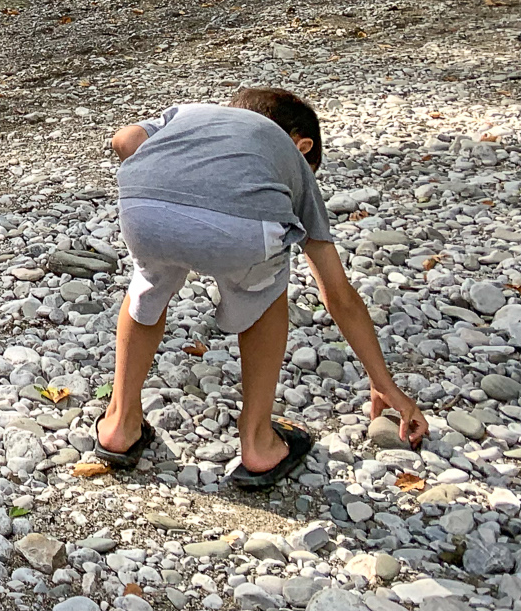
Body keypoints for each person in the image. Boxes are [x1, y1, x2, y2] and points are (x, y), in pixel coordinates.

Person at [93, 86, 427, 488]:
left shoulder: (189, 113)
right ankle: (258, 443)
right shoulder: (291, 158)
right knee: (267, 293)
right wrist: (383, 383)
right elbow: (337, 292)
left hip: (144, 208)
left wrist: (172, 193)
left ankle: (118, 425)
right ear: (302, 146)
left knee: (147, 284)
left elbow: (125, 139)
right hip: (245, 232)